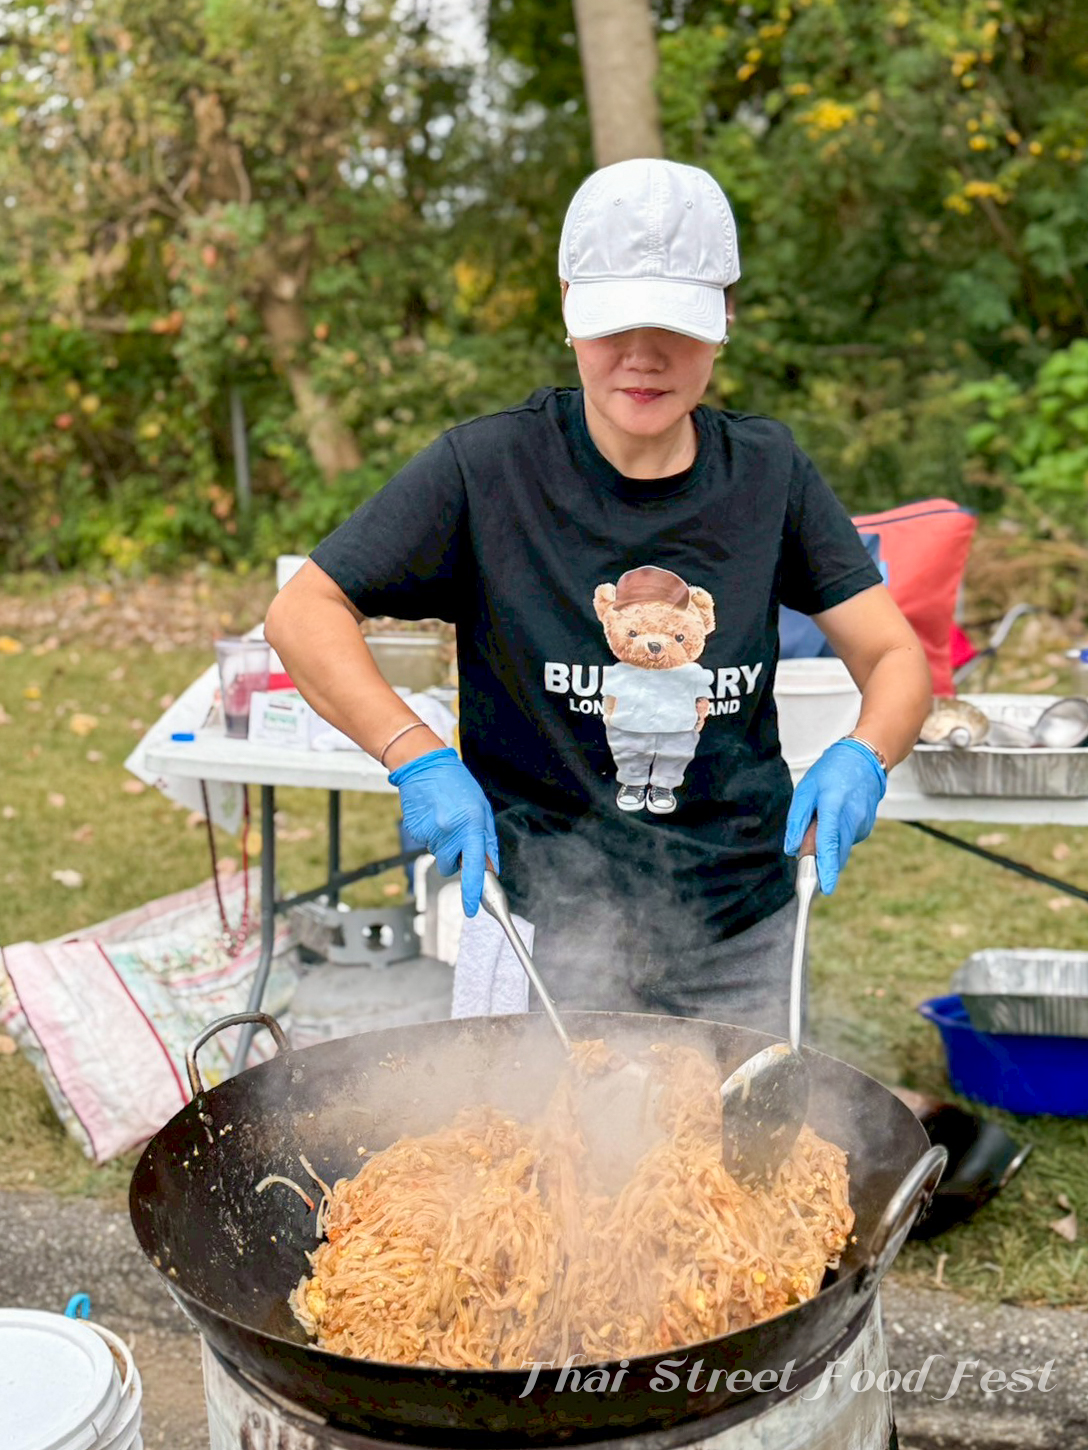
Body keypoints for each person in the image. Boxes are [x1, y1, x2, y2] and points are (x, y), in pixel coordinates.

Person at [265, 157, 931, 1035]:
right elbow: (303, 612)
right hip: (534, 922)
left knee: (741, 1162)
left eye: (677, 326)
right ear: (571, 307)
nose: (644, 357)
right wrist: (416, 755)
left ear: (724, 315)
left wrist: (867, 755)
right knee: (529, 1159)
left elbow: (895, 657)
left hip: (743, 927)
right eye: (616, 323)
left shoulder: (768, 474)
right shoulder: (487, 469)